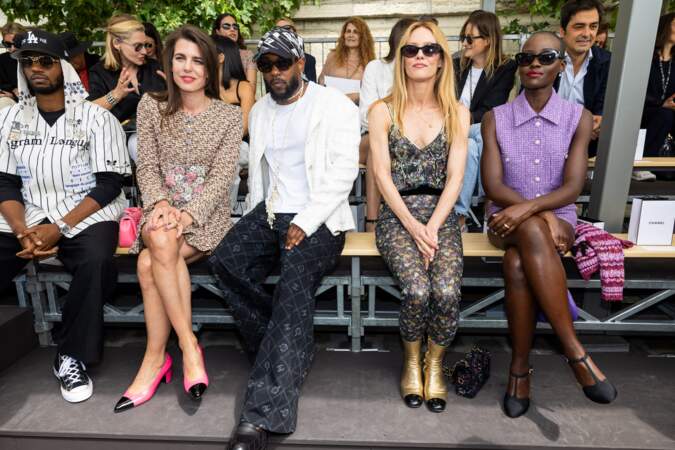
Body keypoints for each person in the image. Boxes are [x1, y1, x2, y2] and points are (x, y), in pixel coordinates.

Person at [208, 27, 359, 450]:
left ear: (300, 63)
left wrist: (306, 221)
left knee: (293, 285)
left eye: (281, 63)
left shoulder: (334, 107)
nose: (273, 72)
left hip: (321, 218)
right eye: (265, 65)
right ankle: (285, 346)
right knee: (226, 261)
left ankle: (259, 416)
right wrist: (257, 221)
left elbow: (343, 173)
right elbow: (262, 176)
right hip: (272, 211)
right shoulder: (258, 111)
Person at [481, 31, 617, 419]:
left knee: (517, 265)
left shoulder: (579, 117)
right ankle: (574, 351)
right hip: (503, 220)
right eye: (526, 59)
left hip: (560, 221)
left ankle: (519, 372)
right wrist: (536, 214)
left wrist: (537, 214)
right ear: (519, 66)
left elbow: (573, 187)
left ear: (561, 65)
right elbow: (493, 186)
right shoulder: (497, 118)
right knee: (528, 231)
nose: (535, 64)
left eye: (546, 57)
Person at [114, 25, 242, 413]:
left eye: (197, 60)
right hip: (160, 209)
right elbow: (147, 165)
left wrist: (186, 215)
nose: (188, 68)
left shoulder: (228, 116)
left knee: (151, 257)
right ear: (169, 64)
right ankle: (187, 347)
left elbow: (222, 178)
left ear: (210, 69)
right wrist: (160, 206)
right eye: (181, 58)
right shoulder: (151, 105)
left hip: (207, 216)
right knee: (154, 251)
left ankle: (157, 360)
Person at [0, 29, 131, 403]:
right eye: (27, 62)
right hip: (25, 216)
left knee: (95, 261)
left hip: (87, 211)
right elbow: (4, 183)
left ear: (65, 66)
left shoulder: (95, 118)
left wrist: (58, 228)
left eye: (44, 60)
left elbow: (108, 184)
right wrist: (24, 230)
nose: (35, 68)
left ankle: (71, 354)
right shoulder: (10, 119)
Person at [369, 20, 470, 413]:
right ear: (401, 58)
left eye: (429, 49)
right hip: (398, 215)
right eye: (411, 50)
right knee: (417, 290)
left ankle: (435, 365)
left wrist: (432, 227)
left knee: (446, 292)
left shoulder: (458, 112)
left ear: (443, 59)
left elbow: (456, 176)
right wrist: (413, 226)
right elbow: (380, 175)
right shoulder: (382, 111)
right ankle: (411, 362)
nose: (420, 56)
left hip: (441, 215)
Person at [453, 10, 517, 230]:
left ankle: (458, 214)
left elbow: (492, 109)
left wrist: (463, 119)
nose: (465, 43)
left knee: (473, 142)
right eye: (464, 37)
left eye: (470, 38)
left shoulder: (504, 68)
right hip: (453, 128)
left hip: (476, 129)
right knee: (479, 135)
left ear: (488, 40)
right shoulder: (457, 66)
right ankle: (489, 197)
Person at [360, 17, 415, 231]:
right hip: (370, 137)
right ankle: (372, 221)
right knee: (377, 145)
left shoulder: (420, 71)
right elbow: (365, 114)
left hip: (407, 138)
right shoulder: (375, 68)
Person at [556, 0, 611, 157]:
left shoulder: (608, 62)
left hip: (589, 146)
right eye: (579, 26)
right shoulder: (545, 58)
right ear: (562, 30)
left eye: (593, 26)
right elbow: (529, 104)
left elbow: (602, 109)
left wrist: (598, 122)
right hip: (545, 140)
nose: (587, 34)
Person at [87, 14, 166, 123]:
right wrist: (116, 95)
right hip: (118, 137)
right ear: (117, 43)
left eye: (146, 45)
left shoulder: (156, 68)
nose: (144, 51)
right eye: (137, 46)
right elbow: (88, 112)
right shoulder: (99, 72)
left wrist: (174, 92)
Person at [212, 35, 254, 208]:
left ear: (221, 57)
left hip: (239, 145)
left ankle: (224, 212)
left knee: (229, 156)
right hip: (209, 145)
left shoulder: (243, 87)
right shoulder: (202, 88)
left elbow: (244, 127)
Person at [319, 17, 375, 104]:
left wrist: (356, 96)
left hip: (357, 108)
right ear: (344, 35)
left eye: (355, 32)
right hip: (332, 105)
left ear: (363, 37)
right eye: (348, 31)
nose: (351, 35)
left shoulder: (370, 62)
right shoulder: (332, 56)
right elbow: (321, 81)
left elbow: (372, 91)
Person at [212, 13, 257, 87]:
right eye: (226, 26)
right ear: (217, 31)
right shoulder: (210, 53)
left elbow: (251, 89)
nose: (232, 29)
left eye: (235, 26)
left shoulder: (247, 55)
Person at [276, 17, 317, 83]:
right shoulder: (270, 61)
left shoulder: (309, 60)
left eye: (286, 28)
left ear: (294, 32)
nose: (282, 32)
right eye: (277, 29)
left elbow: (312, 87)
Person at [0, 22, 26, 109]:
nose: (12, 48)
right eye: (7, 44)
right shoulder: (2, 60)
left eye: (16, 44)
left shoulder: (35, 59)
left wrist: (16, 95)